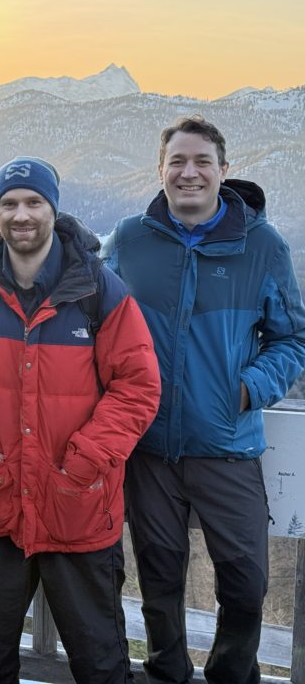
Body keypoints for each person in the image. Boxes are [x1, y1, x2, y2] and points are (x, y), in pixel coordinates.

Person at [0, 157, 161, 684]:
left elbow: (138, 386)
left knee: (100, 663)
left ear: (53, 209)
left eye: (34, 202)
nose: (21, 214)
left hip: (78, 506)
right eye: (9, 203)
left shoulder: (99, 293)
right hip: (0, 501)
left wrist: (85, 462)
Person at [102, 116, 305, 684]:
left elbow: (293, 339)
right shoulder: (131, 239)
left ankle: (230, 674)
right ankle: (167, 670)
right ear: (160, 170)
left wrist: (247, 389)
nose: (189, 173)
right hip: (149, 446)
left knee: (245, 580)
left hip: (227, 444)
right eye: (177, 162)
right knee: (159, 575)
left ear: (223, 170)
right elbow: (95, 323)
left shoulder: (261, 246)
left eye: (201, 162)